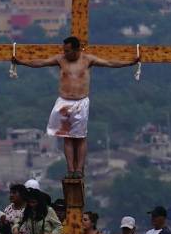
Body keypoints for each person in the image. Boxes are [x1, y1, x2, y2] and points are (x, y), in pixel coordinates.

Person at [11, 36, 138, 177]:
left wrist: (129, 63)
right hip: (64, 101)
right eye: (64, 50)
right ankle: (71, 169)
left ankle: (79, 169)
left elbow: (110, 62)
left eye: (68, 50)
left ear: (76, 49)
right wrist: (21, 62)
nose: (65, 53)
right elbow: (41, 62)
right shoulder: (61, 59)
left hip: (80, 102)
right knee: (67, 137)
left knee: (80, 137)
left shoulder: (87, 60)